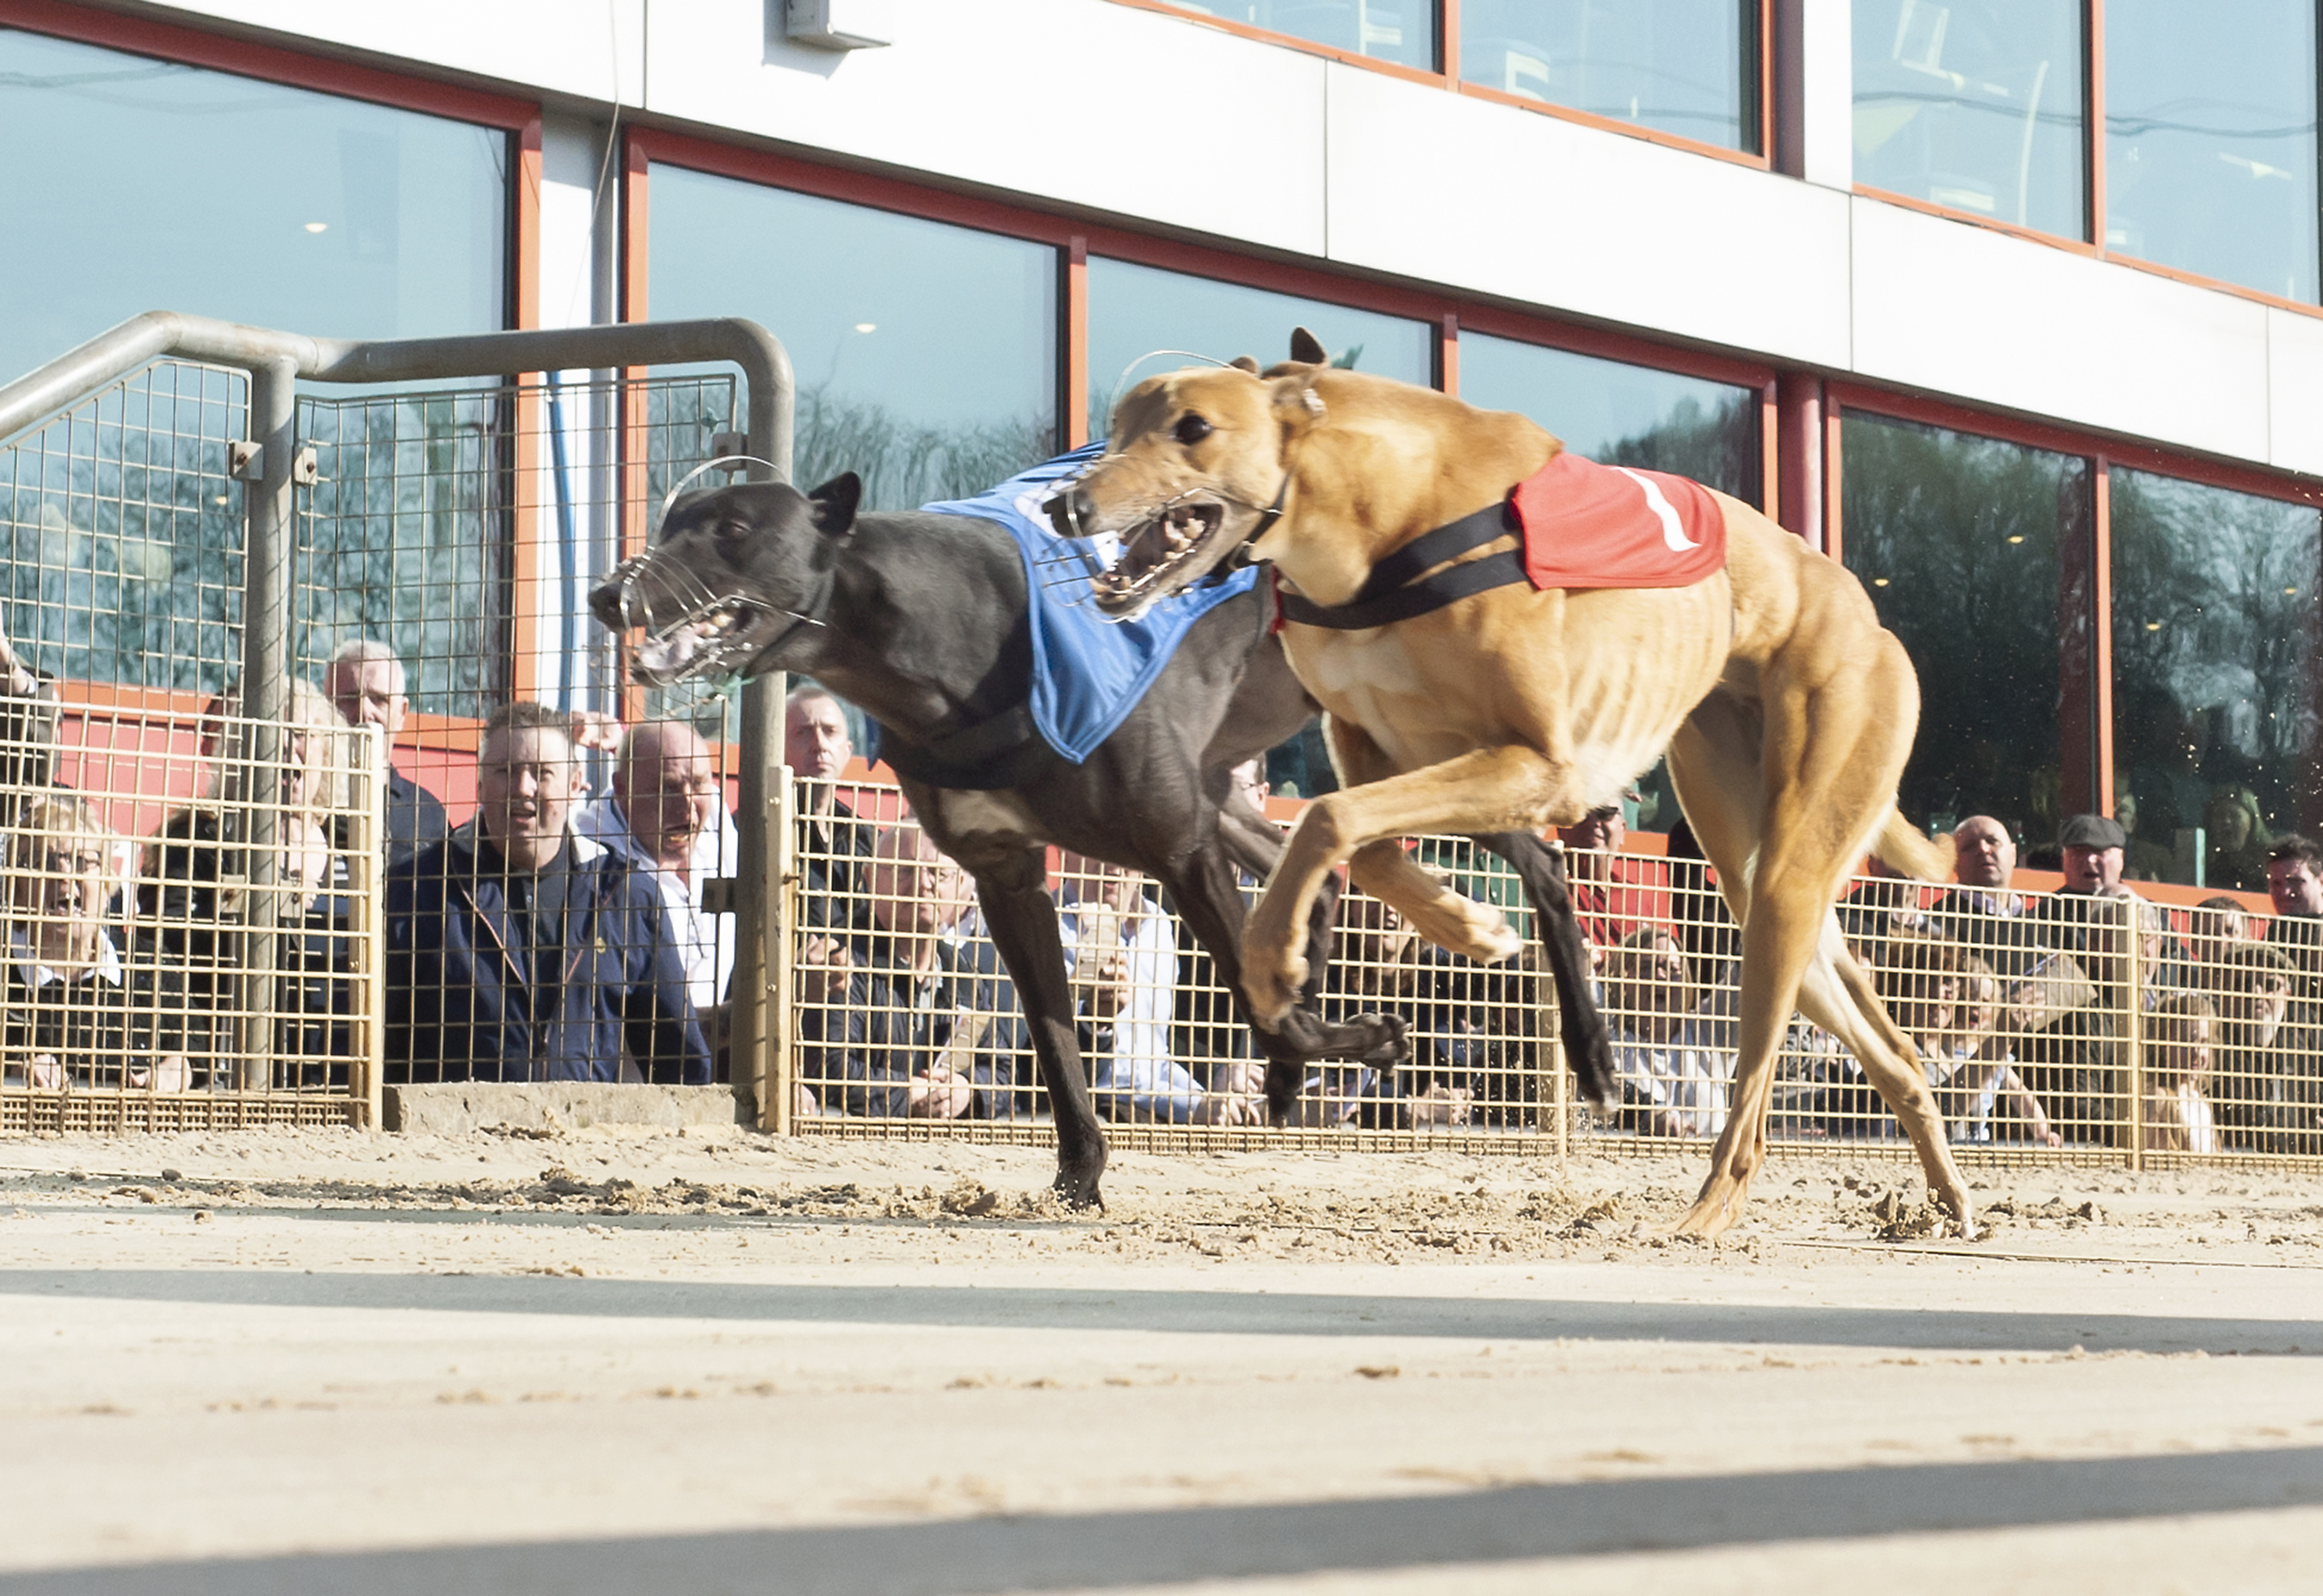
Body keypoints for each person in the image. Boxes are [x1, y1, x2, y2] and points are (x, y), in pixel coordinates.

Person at [385, 701, 709, 1084]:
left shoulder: (626, 895)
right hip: (446, 1136)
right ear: (479, 785)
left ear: (574, 785)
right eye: (505, 772)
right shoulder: (417, 890)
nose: (523, 788)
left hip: (585, 1136)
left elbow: (679, 1061)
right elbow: (370, 1044)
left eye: (542, 774)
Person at [139, 678, 349, 1088]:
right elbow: (163, 954)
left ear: (326, 752)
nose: (289, 749)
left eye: (303, 735)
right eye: (272, 735)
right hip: (224, 1069)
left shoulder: (354, 848)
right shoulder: (196, 839)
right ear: (240, 752)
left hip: (332, 1073)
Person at [799, 825, 1024, 1118]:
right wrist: (906, 1094)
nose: (923, 884)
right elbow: (827, 1068)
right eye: (903, 871)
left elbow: (1002, 1073)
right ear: (869, 879)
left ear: (963, 889)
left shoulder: (964, 976)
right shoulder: (839, 959)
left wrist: (966, 1091)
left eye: (938, 874)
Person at [3, 793, 188, 1091]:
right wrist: (12, 1063)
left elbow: (198, 1048)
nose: (64, 875)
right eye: (45, 862)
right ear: (19, 888)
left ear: (106, 884)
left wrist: (178, 1068)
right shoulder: (5, 968)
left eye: (80, 861)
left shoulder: (148, 962)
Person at [571, 719, 737, 1042]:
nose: (687, 803)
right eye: (668, 788)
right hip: (626, 1074)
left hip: (707, 1065)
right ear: (622, 789)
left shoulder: (716, 819)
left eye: (699, 784)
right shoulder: (588, 856)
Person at [1057, 851, 1250, 1125]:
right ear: (1065, 850)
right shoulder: (1046, 924)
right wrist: (1194, 1106)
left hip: (1156, 1101)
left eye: (1126, 845)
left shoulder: (1159, 924)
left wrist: (1213, 1082)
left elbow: (1157, 1055)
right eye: (1095, 843)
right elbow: (1113, 1077)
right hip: (1098, 1111)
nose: (1114, 862)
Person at [322, 639, 449, 872]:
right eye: (349, 698)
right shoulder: (306, 802)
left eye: (379, 699)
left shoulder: (428, 814)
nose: (363, 712)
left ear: (402, 712)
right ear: (325, 706)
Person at [786, 683, 876, 1001]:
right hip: (786, 1002)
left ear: (848, 750)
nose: (819, 744)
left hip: (862, 1005)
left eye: (830, 731)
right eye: (803, 732)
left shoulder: (870, 840)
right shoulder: (752, 832)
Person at [1603, 926, 1733, 1137]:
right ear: (1623, 978)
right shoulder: (1608, 1038)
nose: (1660, 976)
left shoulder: (1710, 1030)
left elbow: (1748, 973)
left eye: (1672, 968)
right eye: (1646, 967)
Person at [1930, 815, 2043, 980]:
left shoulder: (2042, 924)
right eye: (1969, 846)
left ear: (2013, 853)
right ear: (1953, 862)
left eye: (1992, 841)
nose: (1983, 849)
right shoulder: (1937, 923)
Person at [2141, 994, 2221, 1155]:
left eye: (2203, 1042)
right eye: (2185, 1042)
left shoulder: (2201, 1100)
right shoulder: (2159, 1099)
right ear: (2163, 1045)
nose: (2196, 1052)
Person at [2203, 786, 2274, 893]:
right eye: (2220, 815)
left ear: (2252, 821)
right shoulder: (2203, 862)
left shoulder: (2271, 863)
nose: (2226, 822)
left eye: (2234, 816)